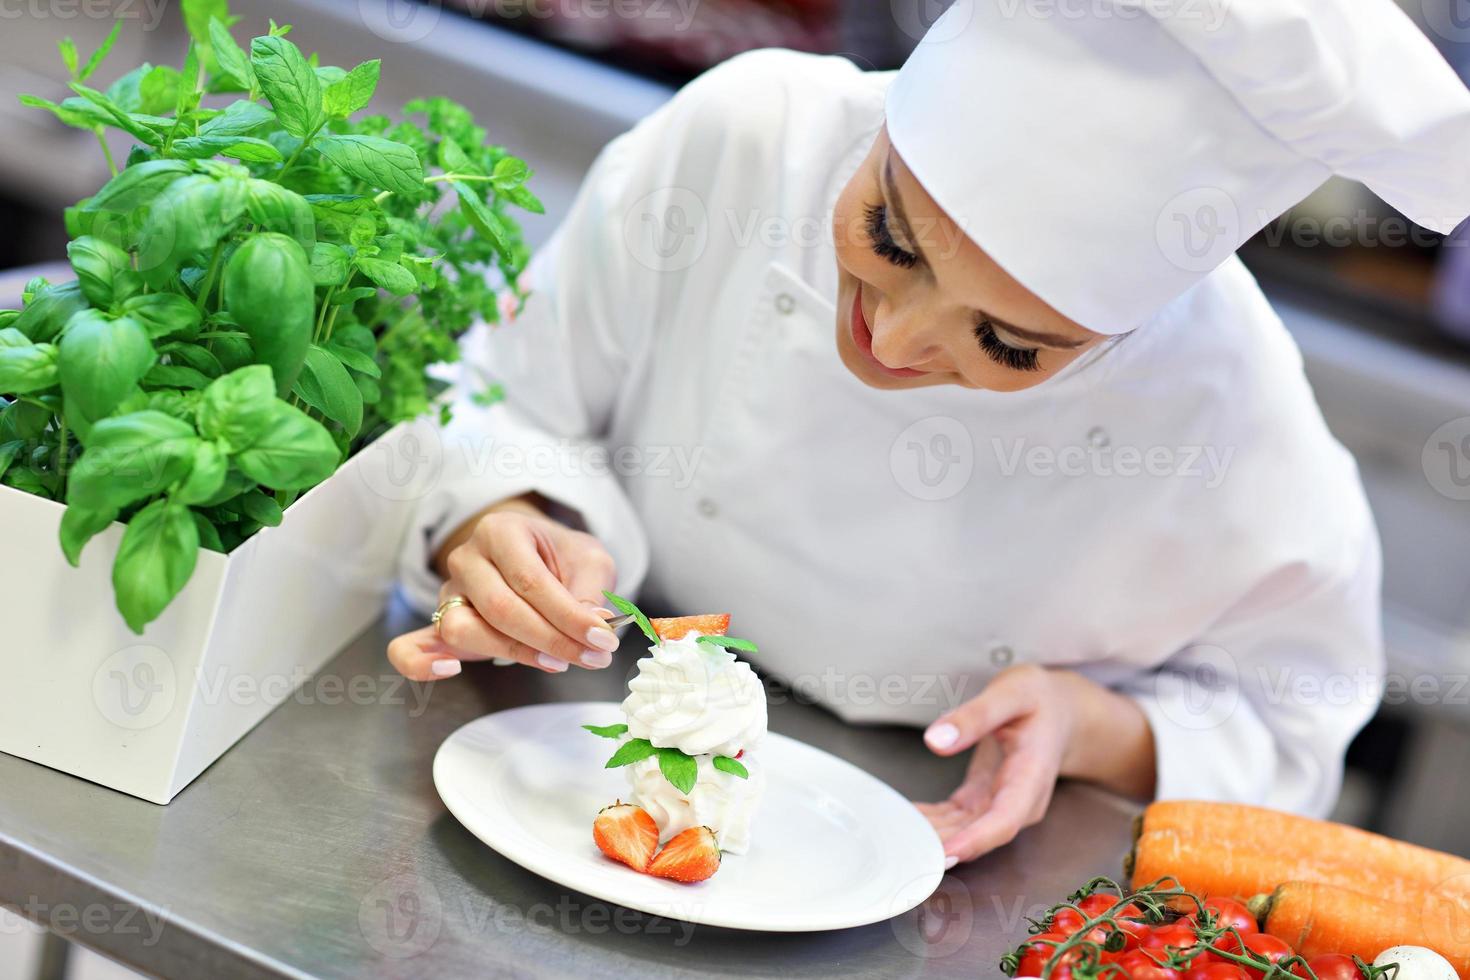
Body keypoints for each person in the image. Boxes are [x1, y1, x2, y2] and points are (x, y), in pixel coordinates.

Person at [387, 0, 1470, 866]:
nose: (893, 339)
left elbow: (1295, 724)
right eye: (888, 234)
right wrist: (510, 512)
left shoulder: (1228, 408)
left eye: (1007, 342)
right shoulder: (751, 137)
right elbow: (497, 391)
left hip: (931, 859)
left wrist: (1090, 724)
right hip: (577, 744)